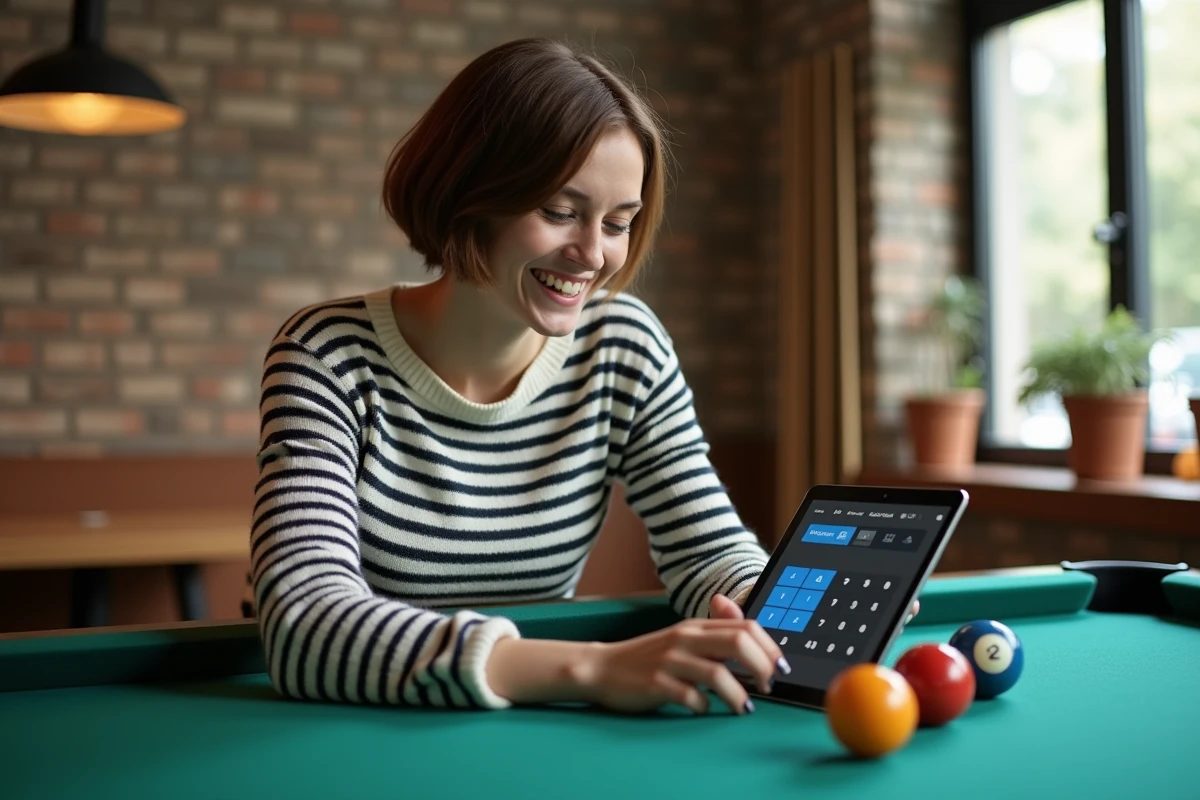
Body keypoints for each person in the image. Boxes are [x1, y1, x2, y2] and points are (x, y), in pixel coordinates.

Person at [251, 37, 897, 718]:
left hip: (532, 721)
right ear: (471, 192)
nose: (593, 255)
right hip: (353, 726)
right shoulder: (323, 351)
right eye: (560, 212)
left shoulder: (624, 344)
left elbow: (708, 551)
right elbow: (303, 623)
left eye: (619, 223)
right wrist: (593, 669)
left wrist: (804, 610)